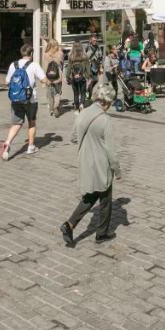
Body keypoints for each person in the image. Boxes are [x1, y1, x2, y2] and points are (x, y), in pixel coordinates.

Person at [59, 91, 121, 247]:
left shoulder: (82, 113)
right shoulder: (105, 120)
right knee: (106, 199)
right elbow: (111, 150)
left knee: (90, 197)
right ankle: (101, 234)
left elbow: (73, 137)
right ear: (106, 102)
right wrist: (117, 169)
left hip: (85, 162)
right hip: (101, 164)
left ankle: (69, 225)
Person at [1, 44, 47, 160]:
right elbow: (44, 79)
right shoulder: (34, 65)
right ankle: (30, 146)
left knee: (16, 123)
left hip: (16, 98)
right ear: (31, 54)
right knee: (31, 122)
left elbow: (7, 82)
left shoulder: (13, 65)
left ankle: (7, 142)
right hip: (30, 99)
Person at [41, 38, 65, 118]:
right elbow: (62, 65)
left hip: (48, 77)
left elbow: (44, 67)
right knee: (57, 93)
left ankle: (51, 109)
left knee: (50, 94)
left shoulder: (46, 54)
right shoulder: (60, 54)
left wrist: (44, 79)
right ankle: (56, 106)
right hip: (58, 77)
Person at [67, 42, 91, 111]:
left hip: (74, 77)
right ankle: (82, 104)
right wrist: (88, 75)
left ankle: (76, 105)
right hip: (82, 77)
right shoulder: (85, 56)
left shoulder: (71, 57)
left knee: (76, 92)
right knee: (83, 92)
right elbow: (88, 67)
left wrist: (67, 76)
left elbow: (68, 68)